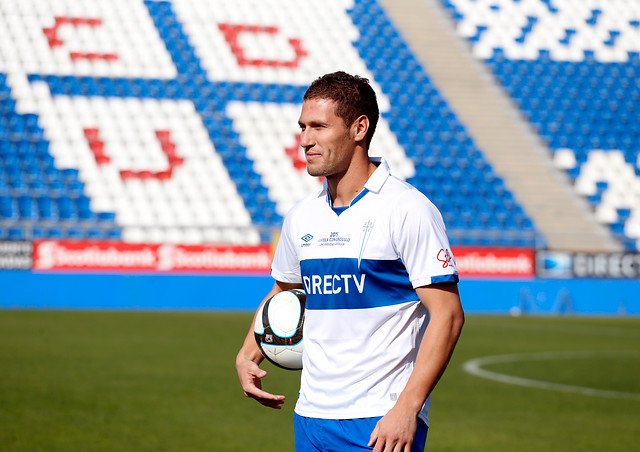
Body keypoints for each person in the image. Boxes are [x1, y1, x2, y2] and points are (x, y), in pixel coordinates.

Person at [236, 71, 464, 451]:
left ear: (359, 128)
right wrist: (248, 353)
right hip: (311, 415)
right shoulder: (301, 216)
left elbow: (448, 314)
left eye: (319, 127)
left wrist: (407, 408)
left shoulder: (407, 209)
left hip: (381, 420)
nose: (305, 139)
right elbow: (284, 291)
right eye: (303, 127)